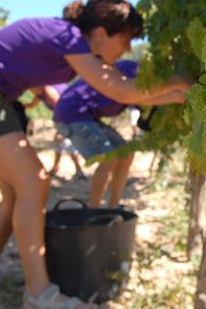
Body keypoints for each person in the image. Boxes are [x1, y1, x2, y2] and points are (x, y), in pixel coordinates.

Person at [0, 0, 190, 309]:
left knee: (15, 195)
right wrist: (180, 83)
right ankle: (39, 294)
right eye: (126, 40)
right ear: (101, 33)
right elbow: (119, 90)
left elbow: (47, 76)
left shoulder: (69, 42)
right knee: (34, 183)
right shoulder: (69, 37)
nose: (128, 49)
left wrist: (176, 96)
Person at [54, 59, 152, 208]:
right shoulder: (136, 75)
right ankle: (94, 211)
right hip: (72, 114)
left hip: (87, 116)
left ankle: (113, 207)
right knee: (109, 158)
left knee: (126, 153)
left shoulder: (141, 76)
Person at [23, 84, 86, 180]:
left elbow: (63, 110)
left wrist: (62, 131)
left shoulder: (48, 91)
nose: (30, 91)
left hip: (70, 120)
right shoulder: (41, 94)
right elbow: (31, 105)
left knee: (67, 144)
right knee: (60, 145)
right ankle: (56, 168)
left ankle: (79, 171)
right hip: (64, 121)